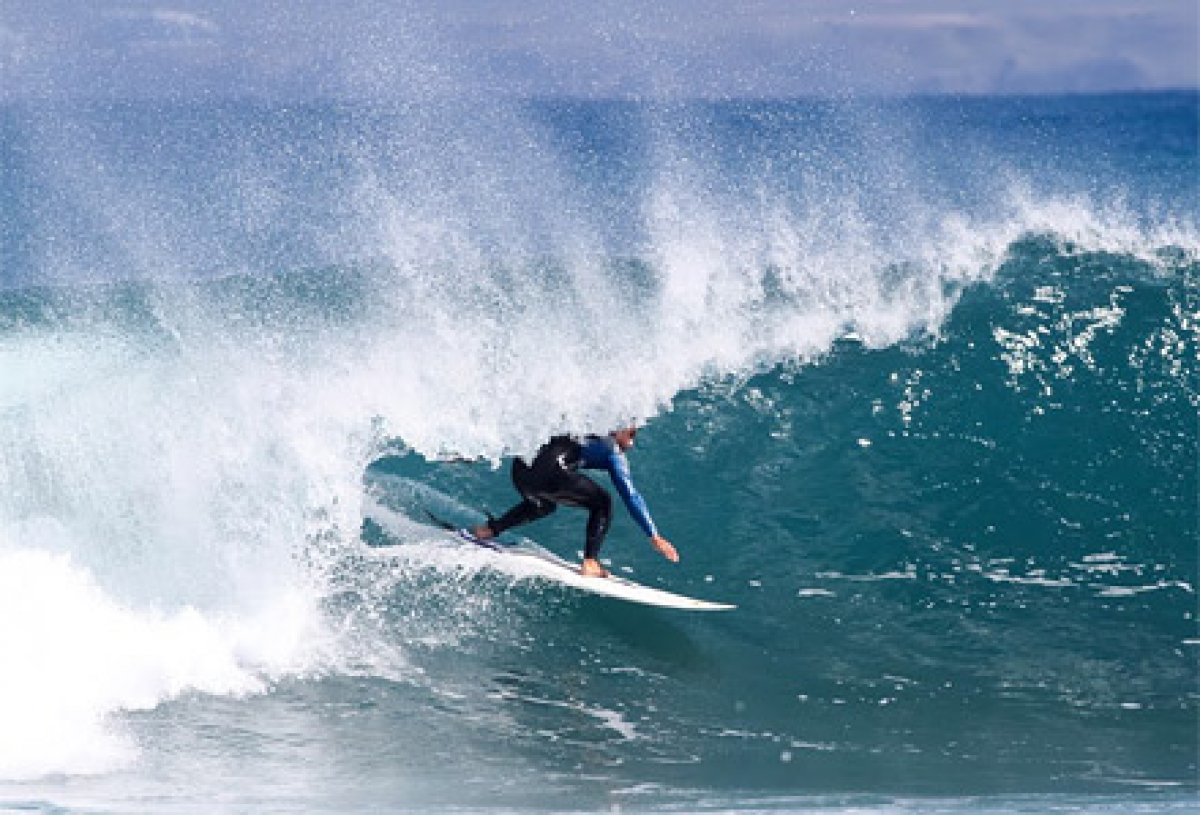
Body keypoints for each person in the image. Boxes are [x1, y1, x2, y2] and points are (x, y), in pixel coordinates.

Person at [471, 427, 678, 577]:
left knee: (543, 505)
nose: (632, 443)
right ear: (619, 430)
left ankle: (489, 530)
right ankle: (591, 562)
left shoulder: (581, 424)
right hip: (551, 472)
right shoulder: (612, 450)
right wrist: (653, 535)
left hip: (521, 471)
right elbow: (630, 495)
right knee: (603, 502)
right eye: (632, 434)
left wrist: (474, 454)